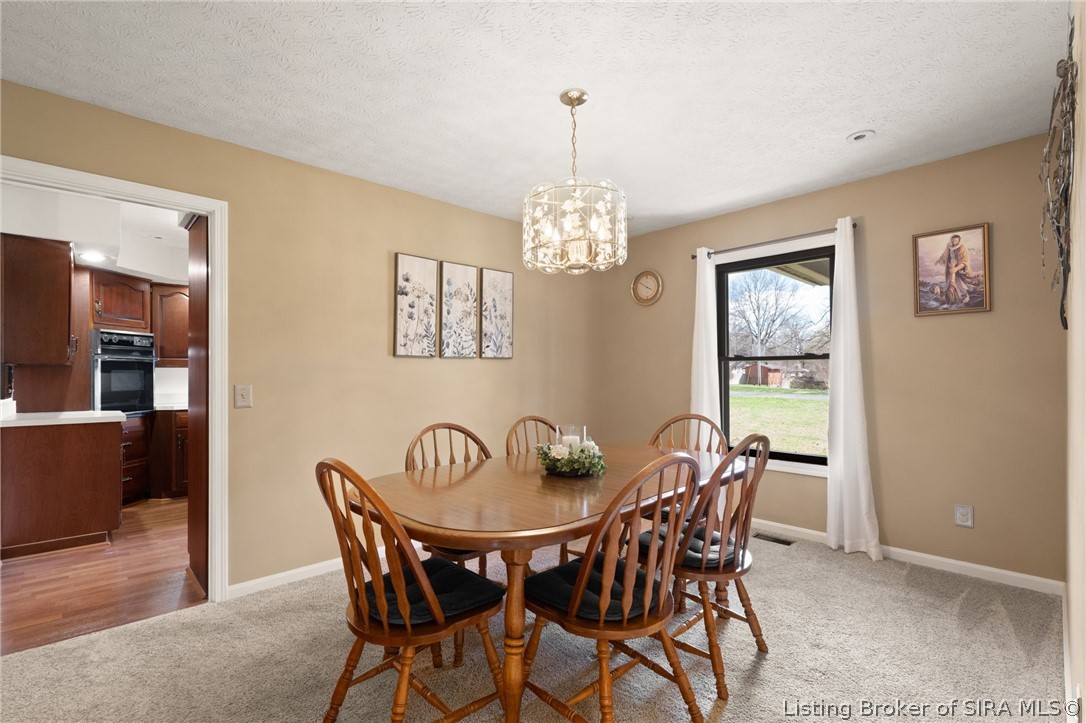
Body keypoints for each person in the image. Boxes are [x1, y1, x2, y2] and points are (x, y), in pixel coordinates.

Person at [935, 234, 974, 305]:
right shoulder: (949, 246)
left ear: (959, 241)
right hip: (950, 266)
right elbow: (944, 255)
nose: (954, 242)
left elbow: (966, 261)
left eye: (956, 241)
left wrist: (956, 268)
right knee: (950, 282)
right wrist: (939, 261)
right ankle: (949, 296)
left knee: (960, 284)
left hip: (960, 269)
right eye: (953, 241)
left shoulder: (962, 247)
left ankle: (963, 296)